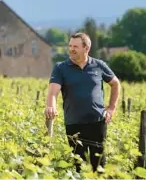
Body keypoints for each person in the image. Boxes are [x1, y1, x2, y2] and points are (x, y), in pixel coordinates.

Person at [45, 32, 120, 173]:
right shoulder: (61, 68)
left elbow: (115, 84)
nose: (71, 49)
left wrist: (111, 108)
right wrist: (51, 106)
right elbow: (53, 92)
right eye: (70, 46)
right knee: (79, 167)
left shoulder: (99, 65)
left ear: (86, 48)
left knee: (99, 167)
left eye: (76, 46)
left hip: (97, 123)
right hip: (74, 124)